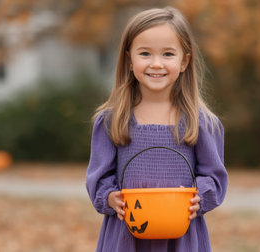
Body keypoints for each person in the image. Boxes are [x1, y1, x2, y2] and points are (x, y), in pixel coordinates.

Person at [86, 6, 228, 252]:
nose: (156, 63)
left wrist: (200, 196)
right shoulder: (111, 120)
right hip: (127, 236)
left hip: (181, 237)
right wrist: (109, 196)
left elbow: (214, 176)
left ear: (184, 61)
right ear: (129, 59)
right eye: (145, 53)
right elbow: (99, 178)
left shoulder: (201, 122)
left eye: (168, 54)